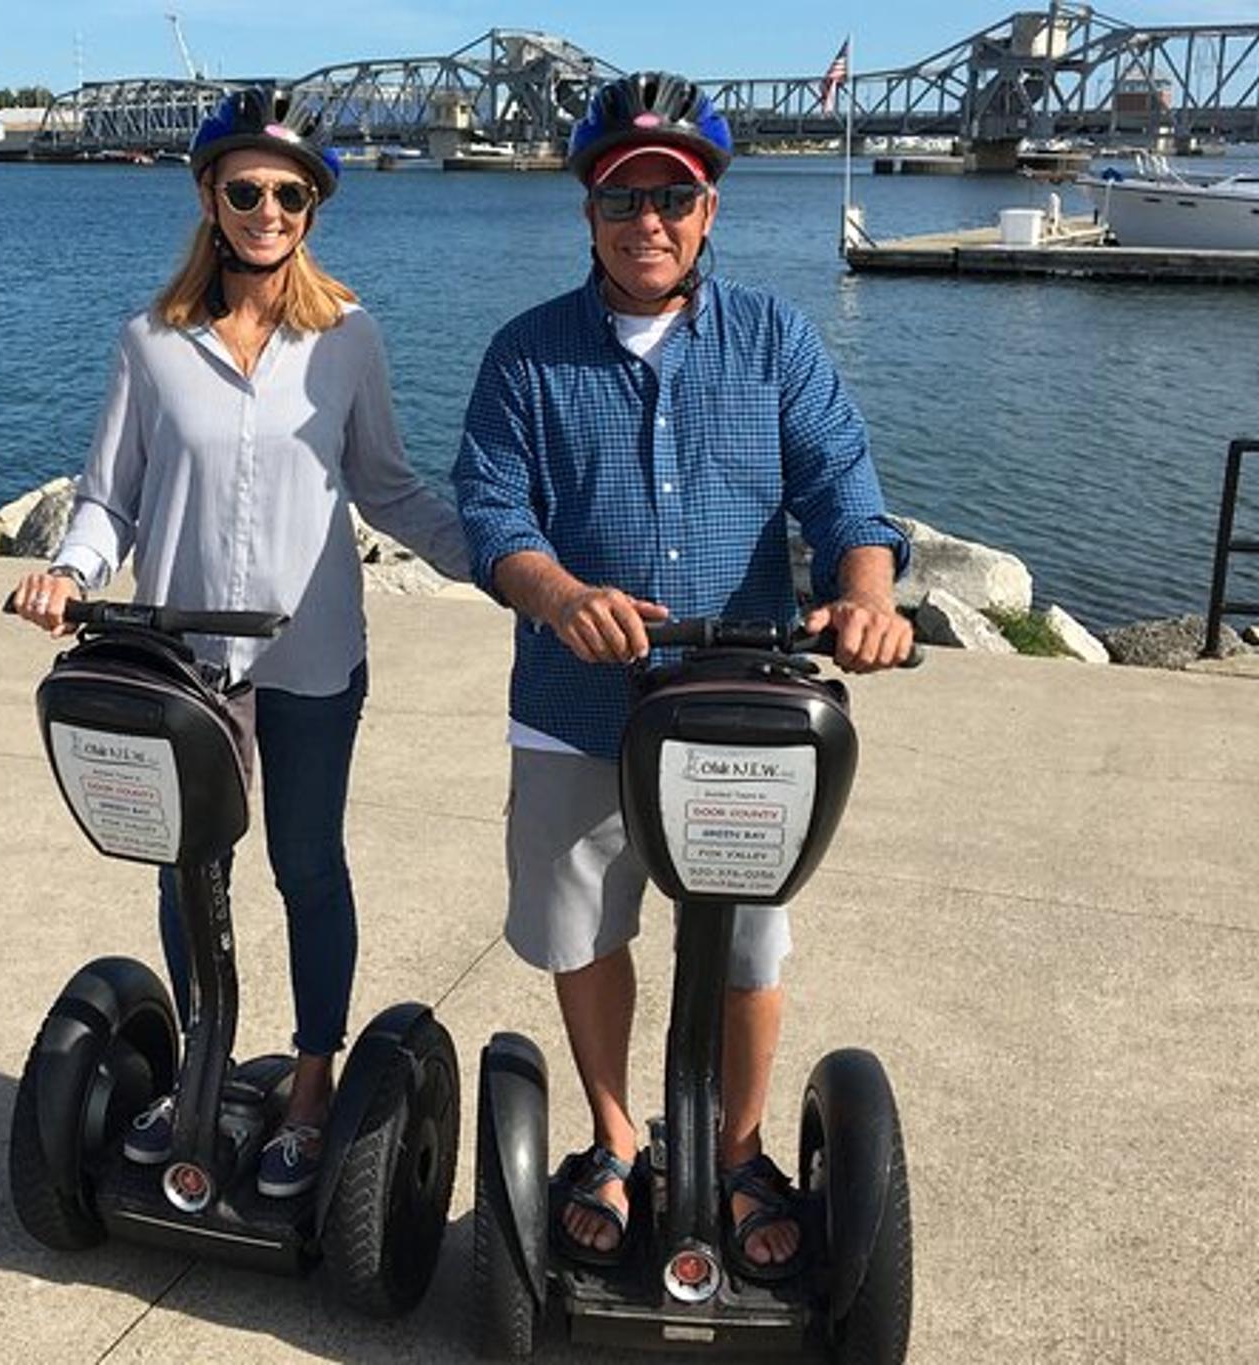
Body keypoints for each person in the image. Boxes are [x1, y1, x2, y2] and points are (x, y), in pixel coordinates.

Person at [452, 71, 915, 1278]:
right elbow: (492, 507)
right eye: (622, 198)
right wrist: (559, 597)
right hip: (575, 702)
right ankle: (612, 1138)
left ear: (707, 212)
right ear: (587, 214)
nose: (646, 220)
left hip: (738, 705)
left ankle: (743, 1148)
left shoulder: (773, 338)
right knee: (581, 928)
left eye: (672, 196)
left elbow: (841, 485)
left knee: (748, 943)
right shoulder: (525, 354)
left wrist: (864, 596)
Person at [12, 87, 468, 1200]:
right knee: (190, 872)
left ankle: (312, 1082)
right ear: (208, 198)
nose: (268, 209)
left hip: (310, 653)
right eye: (247, 189)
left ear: (311, 210)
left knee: (307, 867)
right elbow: (108, 498)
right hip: (184, 667)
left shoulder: (347, 338)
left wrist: (502, 562)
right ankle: (202, 1071)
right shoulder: (151, 344)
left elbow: (387, 486)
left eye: (290, 193)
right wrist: (69, 574)